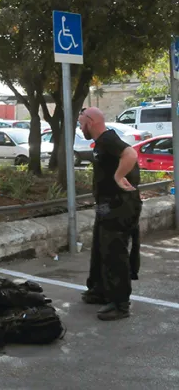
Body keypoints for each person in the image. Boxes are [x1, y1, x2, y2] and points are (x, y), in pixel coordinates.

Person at [78, 107, 142, 321]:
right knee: (100, 247)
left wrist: (118, 176)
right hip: (105, 204)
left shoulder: (108, 139)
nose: (80, 127)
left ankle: (120, 304)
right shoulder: (101, 143)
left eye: (81, 123)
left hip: (120, 205)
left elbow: (130, 153)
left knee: (114, 251)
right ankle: (100, 289)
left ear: (90, 122)